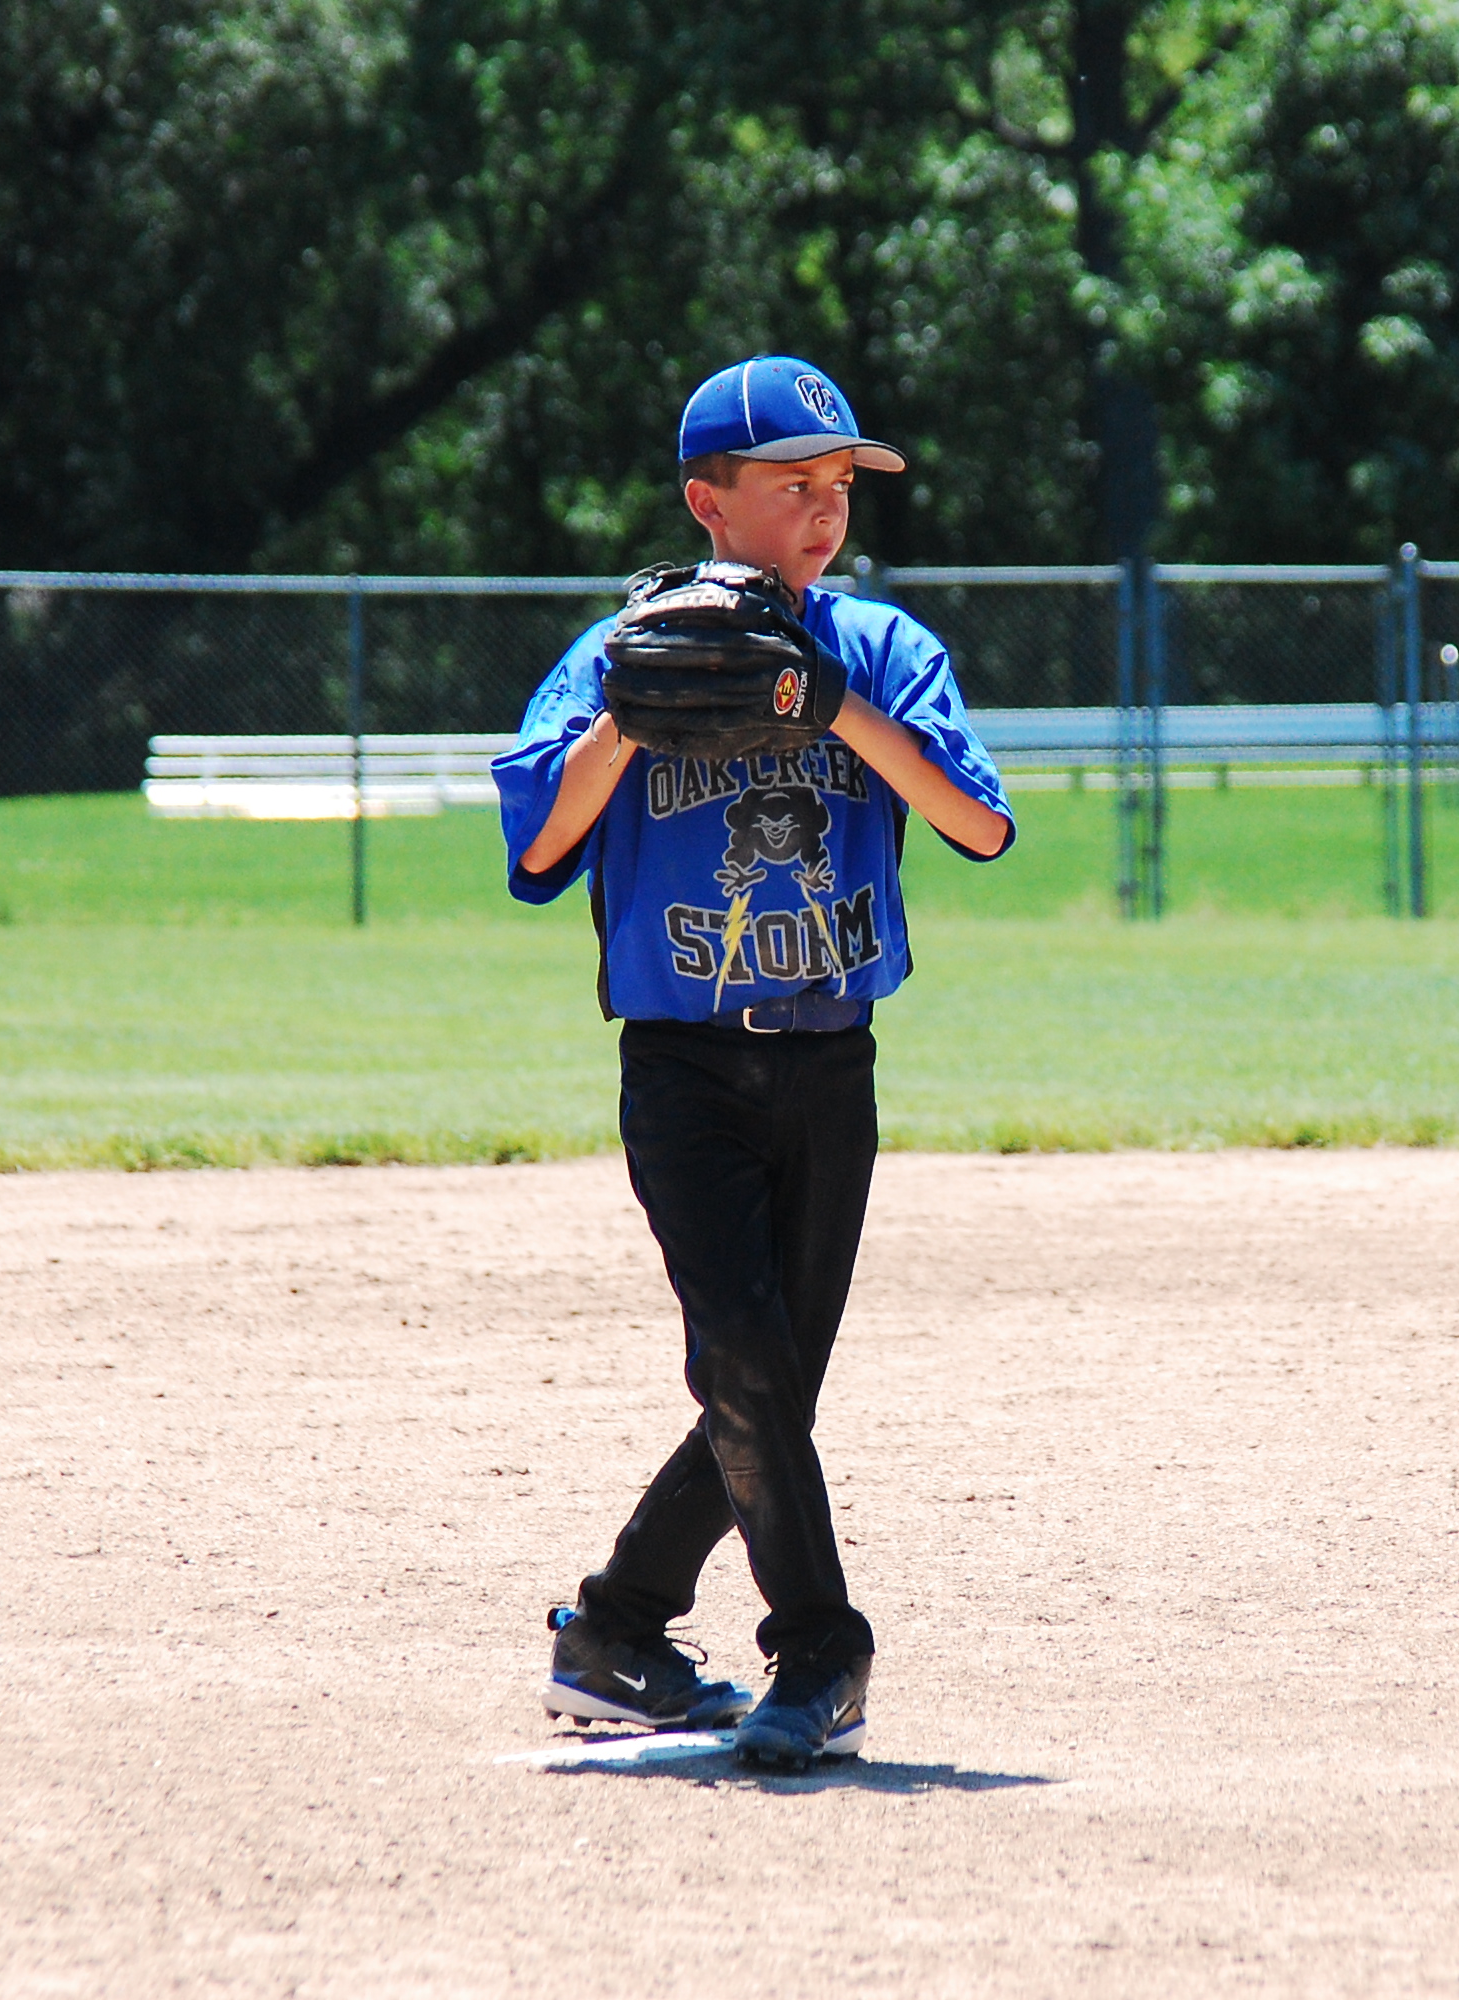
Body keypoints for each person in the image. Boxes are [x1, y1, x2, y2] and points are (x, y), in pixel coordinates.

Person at [493, 355, 1014, 1770]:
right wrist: (629, 715)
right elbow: (538, 843)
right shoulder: (617, 654)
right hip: (683, 1072)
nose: (825, 510)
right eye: (792, 485)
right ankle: (822, 1650)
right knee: (744, 1362)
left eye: (839, 483)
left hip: (831, 1071)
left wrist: (826, 701)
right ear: (706, 502)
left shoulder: (882, 649)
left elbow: (977, 825)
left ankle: (616, 1632)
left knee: (765, 1383)